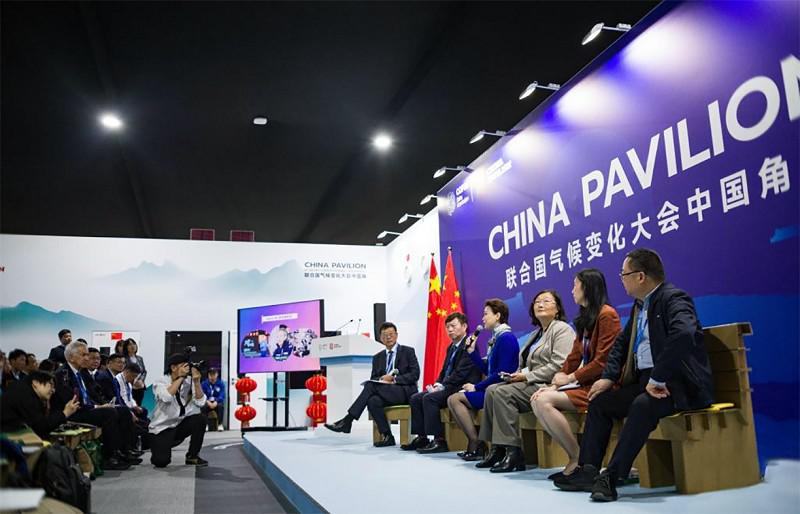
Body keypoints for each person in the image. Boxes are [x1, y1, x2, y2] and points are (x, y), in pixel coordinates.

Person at [554, 248, 714, 502]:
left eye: (624, 274)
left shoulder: (674, 298)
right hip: (647, 382)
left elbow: (683, 334)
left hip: (677, 385)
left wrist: (658, 377)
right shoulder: (641, 306)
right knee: (600, 402)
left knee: (642, 405)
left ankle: (611, 477)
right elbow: (621, 344)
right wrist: (607, 378)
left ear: (640, 276)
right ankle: (588, 470)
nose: (621, 279)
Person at [531, 269, 621, 479]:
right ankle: (576, 457)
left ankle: (577, 459)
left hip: (603, 386)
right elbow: (573, 357)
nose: (572, 291)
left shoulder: (607, 315)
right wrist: (554, 385)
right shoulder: (586, 318)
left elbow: (602, 361)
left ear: (587, 288)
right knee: (538, 398)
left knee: (544, 401)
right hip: (586, 385)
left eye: (575, 286)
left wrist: (570, 378)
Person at [475, 290, 575, 473]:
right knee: (491, 390)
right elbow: (527, 365)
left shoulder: (562, 329)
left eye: (546, 301)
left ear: (557, 309)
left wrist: (526, 376)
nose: (540, 304)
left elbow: (559, 365)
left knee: (502, 392)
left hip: (548, 385)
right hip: (530, 382)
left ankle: (513, 452)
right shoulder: (535, 334)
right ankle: (497, 448)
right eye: (537, 302)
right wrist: (517, 375)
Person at [324, 322, 420, 447]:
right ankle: (387, 436)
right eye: (385, 335)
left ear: (396, 335)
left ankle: (348, 420)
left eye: (391, 334)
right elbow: (374, 378)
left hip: (403, 391)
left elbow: (415, 374)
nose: (388, 337)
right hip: (386, 392)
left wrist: (394, 379)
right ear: (380, 338)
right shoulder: (377, 357)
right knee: (373, 401)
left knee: (370, 386)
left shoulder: (408, 351)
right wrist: (381, 379)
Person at [446, 299, 520, 460]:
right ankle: (476, 443)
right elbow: (487, 370)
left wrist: (477, 387)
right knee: (453, 399)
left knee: (455, 399)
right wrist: (472, 352)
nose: (483, 318)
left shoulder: (506, 338)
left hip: (500, 390)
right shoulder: (496, 338)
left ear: (498, 316)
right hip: (491, 389)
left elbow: (502, 373)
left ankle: (477, 443)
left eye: (486, 314)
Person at [50, 340, 137, 470]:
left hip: (87, 409)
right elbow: (72, 402)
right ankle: (110, 456)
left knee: (123, 410)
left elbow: (93, 395)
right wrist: (98, 407)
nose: (87, 358)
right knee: (109, 413)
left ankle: (124, 450)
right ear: (71, 357)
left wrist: (102, 404)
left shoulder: (82, 373)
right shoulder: (63, 375)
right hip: (74, 414)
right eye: (83, 355)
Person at [402, 312, 481, 453]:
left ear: (464, 326)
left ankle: (439, 440)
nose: (450, 329)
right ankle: (422, 437)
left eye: (453, 326)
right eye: (447, 327)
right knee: (415, 398)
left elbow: (461, 373)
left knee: (430, 398)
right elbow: (444, 370)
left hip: (461, 387)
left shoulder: (469, 345)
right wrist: (438, 384)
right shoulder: (451, 347)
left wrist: (443, 385)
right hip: (449, 386)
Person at [148, 353, 209, 468]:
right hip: (162, 428)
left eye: (188, 366)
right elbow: (166, 397)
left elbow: (200, 402)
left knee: (200, 419)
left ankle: (192, 456)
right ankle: (156, 446)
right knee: (161, 462)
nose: (187, 369)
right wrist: (180, 378)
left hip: (178, 425)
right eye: (184, 366)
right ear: (173, 367)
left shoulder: (189, 381)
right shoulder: (161, 381)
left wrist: (196, 381)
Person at [1, 370, 81, 438]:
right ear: (35, 383)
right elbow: (41, 428)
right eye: (51, 385)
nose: (53, 390)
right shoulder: (25, 395)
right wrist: (65, 413)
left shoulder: (23, 389)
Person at [122, 338, 147, 406]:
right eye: (130, 344)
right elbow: (123, 372)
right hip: (128, 386)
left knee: (138, 405)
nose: (132, 346)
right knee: (130, 405)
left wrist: (141, 380)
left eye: (134, 344)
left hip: (140, 386)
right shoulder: (123, 358)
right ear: (126, 347)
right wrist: (133, 382)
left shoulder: (139, 358)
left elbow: (144, 371)